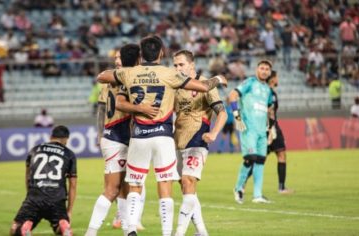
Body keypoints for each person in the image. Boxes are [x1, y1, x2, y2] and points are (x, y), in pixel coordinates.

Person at [97, 36, 227, 236]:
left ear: (141, 54)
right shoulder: (169, 74)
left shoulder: (130, 73)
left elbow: (103, 77)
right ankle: (168, 233)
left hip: (139, 136)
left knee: (135, 184)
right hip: (164, 137)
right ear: (161, 53)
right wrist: (218, 78)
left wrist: (138, 105)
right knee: (165, 185)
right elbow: (203, 86)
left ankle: (130, 228)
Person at [86, 44, 156, 236]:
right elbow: (110, 108)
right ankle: (91, 232)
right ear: (137, 60)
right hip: (117, 136)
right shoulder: (128, 78)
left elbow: (102, 103)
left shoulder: (112, 77)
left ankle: (128, 230)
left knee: (126, 188)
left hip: (121, 138)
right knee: (112, 190)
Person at [172, 50, 227, 236]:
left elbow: (222, 112)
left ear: (191, 65)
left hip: (198, 139)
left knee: (188, 182)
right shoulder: (175, 85)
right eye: (175, 65)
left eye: (181, 64)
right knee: (187, 189)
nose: (178, 68)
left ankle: (178, 233)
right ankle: (202, 232)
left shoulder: (206, 85)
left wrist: (213, 133)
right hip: (177, 140)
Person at [10, 125, 76, 236]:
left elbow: (28, 177)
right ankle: (62, 225)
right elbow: (73, 185)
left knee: (14, 229)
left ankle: (26, 226)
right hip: (57, 199)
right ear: (66, 139)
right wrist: (68, 211)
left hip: (35, 196)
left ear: (51, 136)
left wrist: (30, 196)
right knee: (59, 227)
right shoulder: (69, 154)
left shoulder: (34, 150)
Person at [230, 60, 274, 204]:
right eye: (262, 68)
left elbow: (269, 110)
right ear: (257, 69)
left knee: (261, 161)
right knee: (250, 159)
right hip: (249, 128)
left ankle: (257, 195)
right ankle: (238, 188)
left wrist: (271, 129)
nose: (264, 71)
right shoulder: (249, 82)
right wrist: (237, 116)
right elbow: (232, 95)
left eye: (267, 69)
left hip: (262, 131)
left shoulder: (268, 90)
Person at [245, 71, 293, 194]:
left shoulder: (271, 93)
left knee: (281, 153)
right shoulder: (266, 93)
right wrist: (269, 130)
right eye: (276, 77)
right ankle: (241, 184)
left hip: (273, 127)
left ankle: (282, 187)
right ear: (272, 79)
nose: (278, 79)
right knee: (259, 159)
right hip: (266, 128)